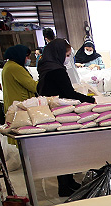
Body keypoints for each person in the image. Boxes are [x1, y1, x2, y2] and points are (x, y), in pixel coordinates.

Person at [36, 38, 92, 196]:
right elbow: (68, 93)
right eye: (67, 55)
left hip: (51, 112)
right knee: (65, 150)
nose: (68, 59)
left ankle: (68, 181)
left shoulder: (45, 67)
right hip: (61, 114)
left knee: (60, 149)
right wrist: (90, 100)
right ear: (59, 53)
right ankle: (65, 185)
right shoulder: (57, 71)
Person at [1, 45, 37, 126]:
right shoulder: (15, 68)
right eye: (27, 57)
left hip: (13, 105)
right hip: (19, 107)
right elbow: (32, 86)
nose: (29, 59)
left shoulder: (8, 65)